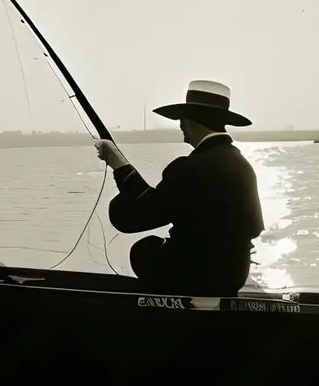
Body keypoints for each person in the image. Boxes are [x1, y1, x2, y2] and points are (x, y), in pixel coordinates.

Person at [94, 80, 264, 296]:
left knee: (143, 250)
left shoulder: (190, 167)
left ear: (189, 121)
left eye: (181, 120)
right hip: (234, 277)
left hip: (197, 277)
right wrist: (121, 165)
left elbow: (143, 214)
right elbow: (255, 227)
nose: (180, 126)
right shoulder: (242, 164)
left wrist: (117, 165)